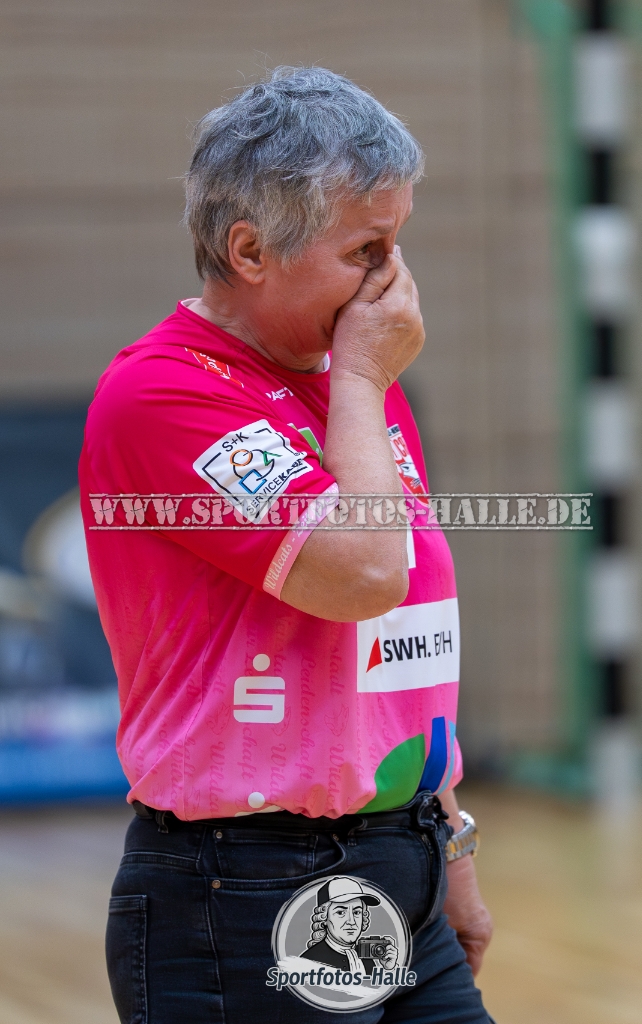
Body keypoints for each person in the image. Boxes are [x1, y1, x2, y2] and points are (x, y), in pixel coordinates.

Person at [82, 66, 494, 1023]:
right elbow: (364, 576)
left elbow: (404, 645)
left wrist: (453, 851)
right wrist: (361, 380)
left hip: (400, 857)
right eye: (365, 249)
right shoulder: (163, 393)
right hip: (248, 887)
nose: (392, 282)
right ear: (250, 249)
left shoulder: (357, 384)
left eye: (397, 242)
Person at [300, 876, 397, 975]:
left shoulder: (366, 958)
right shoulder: (308, 962)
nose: (351, 921)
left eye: (356, 912)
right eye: (340, 912)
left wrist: (389, 968)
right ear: (324, 918)